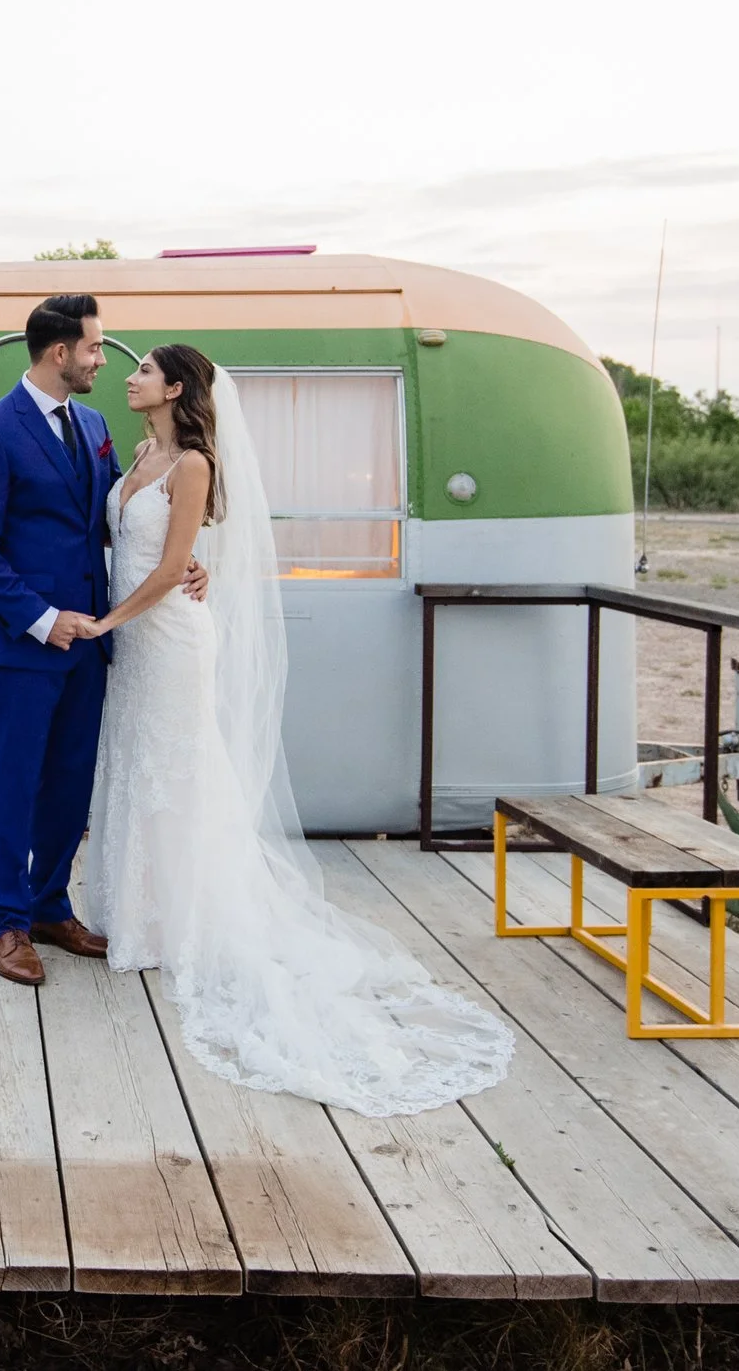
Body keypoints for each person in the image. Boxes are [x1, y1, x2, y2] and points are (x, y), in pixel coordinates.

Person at [72, 343, 514, 1116]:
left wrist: (109, 618)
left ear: (174, 387)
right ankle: (140, 916)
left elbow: (175, 564)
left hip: (169, 640)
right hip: (138, 642)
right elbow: (140, 544)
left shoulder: (195, 465)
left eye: (143, 369)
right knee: (136, 763)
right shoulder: (142, 451)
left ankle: (190, 922)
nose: (129, 377)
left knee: (180, 770)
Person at [0, 294, 203, 987]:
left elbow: (116, 519)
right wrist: (40, 616)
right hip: (22, 643)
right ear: (59, 353)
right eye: (94, 347)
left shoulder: (92, 424)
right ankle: (6, 921)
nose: (102, 359)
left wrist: (183, 559)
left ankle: (49, 906)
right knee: (15, 782)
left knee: (69, 780)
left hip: (94, 638)